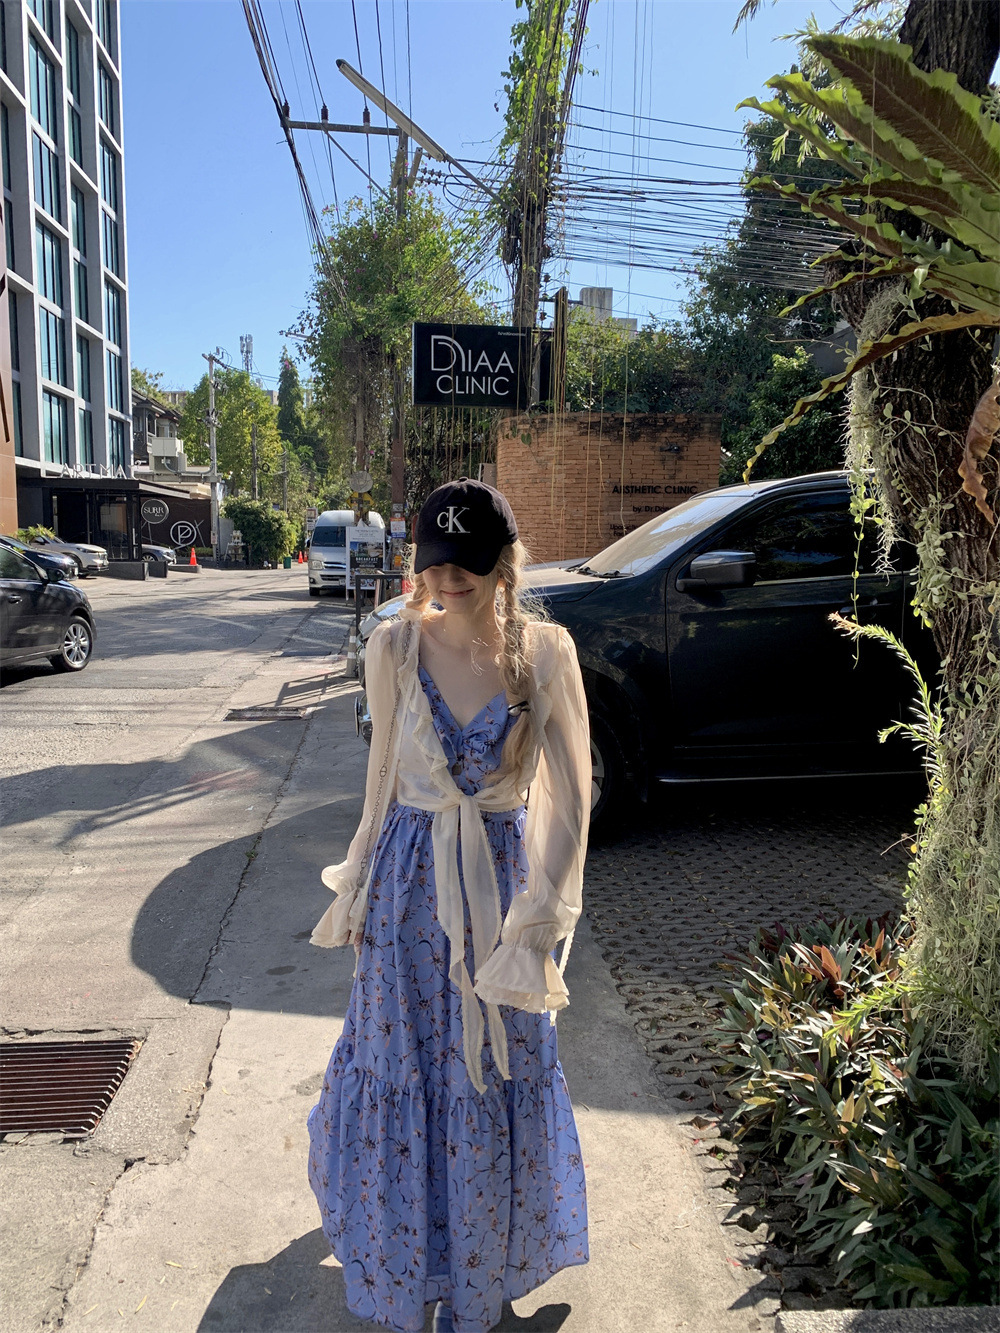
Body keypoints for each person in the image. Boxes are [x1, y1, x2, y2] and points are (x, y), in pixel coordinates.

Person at [307, 478, 591, 1333]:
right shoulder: (393, 646)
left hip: (500, 898)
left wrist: (537, 923)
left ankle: (477, 1264)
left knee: (492, 1072)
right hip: (407, 893)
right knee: (402, 1072)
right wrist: (357, 883)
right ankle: (407, 1256)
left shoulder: (544, 653)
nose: (448, 575)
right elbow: (381, 780)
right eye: (434, 558)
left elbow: (572, 800)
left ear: (504, 561)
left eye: (466, 558)